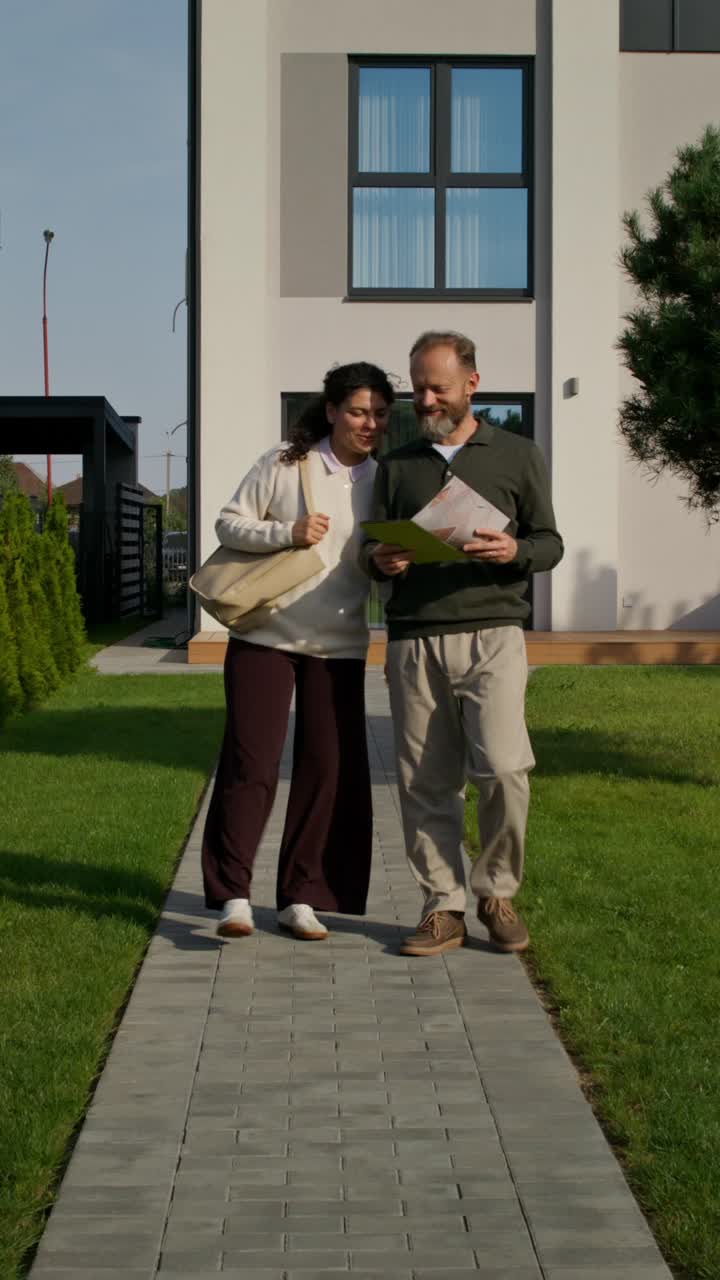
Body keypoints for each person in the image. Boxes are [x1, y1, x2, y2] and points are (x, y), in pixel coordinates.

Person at [364, 331, 563, 957]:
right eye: (418, 387)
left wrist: (516, 551)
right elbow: (369, 554)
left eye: (437, 388)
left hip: (494, 633)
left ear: (471, 384)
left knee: (505, 768)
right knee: (425, 780)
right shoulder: (397, 466)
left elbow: (550, 543)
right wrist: (382, 561)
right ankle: (442, 906)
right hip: (415, 638)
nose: (424, 399)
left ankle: (496, 893)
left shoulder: (518, 455)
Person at [202, 362, 394, 941]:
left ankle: (300, 898)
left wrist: (385, 562)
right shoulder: (286, 463)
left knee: (327, 771)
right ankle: (233, 894)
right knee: (250, 764)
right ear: (332, 410)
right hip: (265, 636)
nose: (369, 423)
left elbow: (368, 561)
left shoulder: (385, 481)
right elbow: (228, 523)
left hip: (338, 643)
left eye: (381, 414)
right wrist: (286, 532)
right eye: (358, 411)